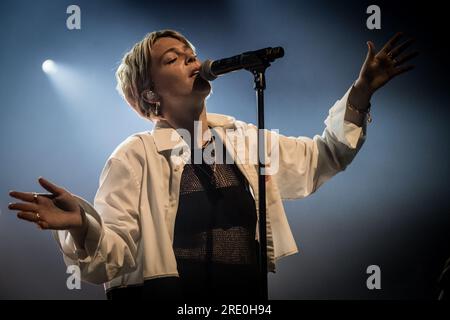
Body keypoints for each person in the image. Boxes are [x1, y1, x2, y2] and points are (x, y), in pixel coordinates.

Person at [8, 29, 417, 300]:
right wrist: (82, 224)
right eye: (173, 59)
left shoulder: (242, 139)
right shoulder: (135, 156)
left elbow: (322, 158)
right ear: (150, 93)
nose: (192, 61)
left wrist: (361, 94)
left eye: (191, 54)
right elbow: (115, 257)